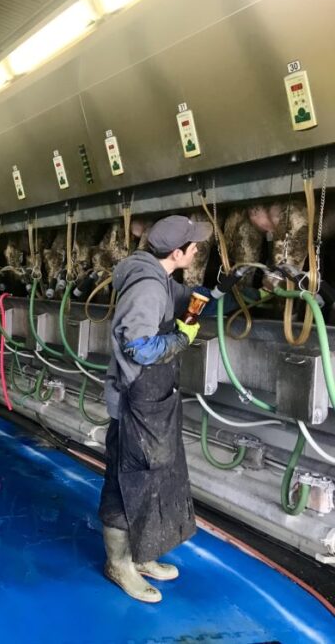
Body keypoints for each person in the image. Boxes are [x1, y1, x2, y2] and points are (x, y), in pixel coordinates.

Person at [99, 214, 226, 604]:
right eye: (193, 245)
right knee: (127, 481)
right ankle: (119, 564)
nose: (197, 249)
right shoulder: (147, 288)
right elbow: (139, 348)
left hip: (153, 401)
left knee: (152, 478)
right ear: (177, 252)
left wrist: (226, 290)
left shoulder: (161, 279)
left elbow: (189, 300)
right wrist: (181, 339)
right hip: (134, 401)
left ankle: (140, 554)